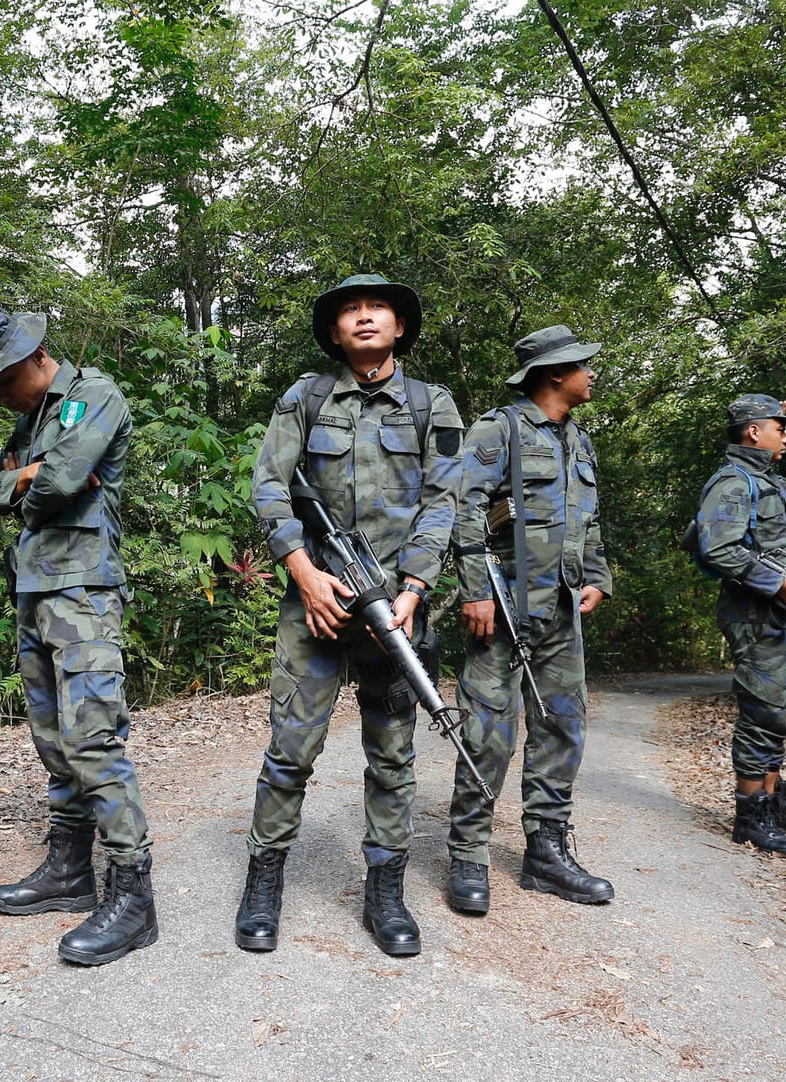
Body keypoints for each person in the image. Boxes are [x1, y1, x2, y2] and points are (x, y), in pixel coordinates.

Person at [235, 273, 463, 958]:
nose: (364, 318)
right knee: (290, 751)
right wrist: (302, 573)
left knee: (392, 755)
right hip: (315, 610)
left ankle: (384, 890)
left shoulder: (431, 405)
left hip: (395, 613)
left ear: (399, 326)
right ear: (334, 332)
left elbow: (443, 503)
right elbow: (269, 487)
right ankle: (263, 881)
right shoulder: (305, 399)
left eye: (378, 308)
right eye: (350, 312)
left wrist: (413, 589)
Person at [0, 307, 157, 966]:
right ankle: (70, 870)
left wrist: (33, 481)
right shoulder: (31, 421)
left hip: (83, 592)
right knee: (52, 738)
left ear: (35, 357)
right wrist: (24, 477)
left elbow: (63, 484)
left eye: (0, 380)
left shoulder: (92, 396)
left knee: (92, 735)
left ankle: (133, 894)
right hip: (34, 588)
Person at [447, 325, 615, 915]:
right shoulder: (499, 429)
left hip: (562, 610)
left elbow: (587, 521)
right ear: (553, 374)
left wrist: (597, 577)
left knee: (562, 726)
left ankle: (545, 852)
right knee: (488, 732)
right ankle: (468, 854)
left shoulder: (579, 441)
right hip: (504, 605)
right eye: (582, 365)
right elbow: (461, 507)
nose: (592, 374)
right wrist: (475, 590)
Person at [693, 394, 786, 858]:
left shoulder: (762, 480)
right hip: (757, 615)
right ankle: (750, 817)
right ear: (754, 431)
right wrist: (779, 584)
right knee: (762, 714)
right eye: (779, 426)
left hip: (777, 613)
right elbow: (720, 550)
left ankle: (772, 802)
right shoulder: (732, 484)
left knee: (778, 712)